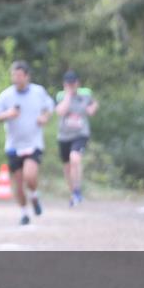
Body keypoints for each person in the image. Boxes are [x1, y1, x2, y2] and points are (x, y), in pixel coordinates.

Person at [0, 61, 54, 225]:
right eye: (13, 75)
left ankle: (34, 195)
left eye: (19, 75)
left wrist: (44, 117)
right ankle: (24, 213)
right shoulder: (6, 95)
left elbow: (50, 106)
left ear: (27, 76)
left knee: (29, 175)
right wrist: (8, 114)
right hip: (13, 145)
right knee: (18, 183)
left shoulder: (38, 92)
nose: (16, 79)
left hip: (33, 143)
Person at [55, 70, 98, 206]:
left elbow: (93, 104)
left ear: (77, 83)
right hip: (64, 136)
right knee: (67, 167)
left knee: (75, 158)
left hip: (80, 134)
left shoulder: (86, 94)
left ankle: (78, 190)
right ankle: (73, 192)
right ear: (64, 84)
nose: (71, 86)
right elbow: (60, 111)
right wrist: (68, 95)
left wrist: (92, 108)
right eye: (68, 84)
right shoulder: (60, 96)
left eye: (73, 84)